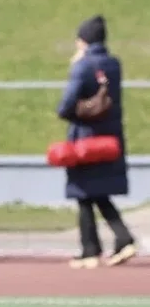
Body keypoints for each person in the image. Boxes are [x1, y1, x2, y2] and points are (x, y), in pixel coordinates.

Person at [56, 15, 137, 268]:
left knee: (83, 192)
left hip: (85, 140)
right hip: (109, 138)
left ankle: (90, 250)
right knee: (97, 193)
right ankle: (122, 239)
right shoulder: (114, 64)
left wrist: (75, 68)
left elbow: (66, 106)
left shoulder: (82, 66)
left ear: (84, 41)